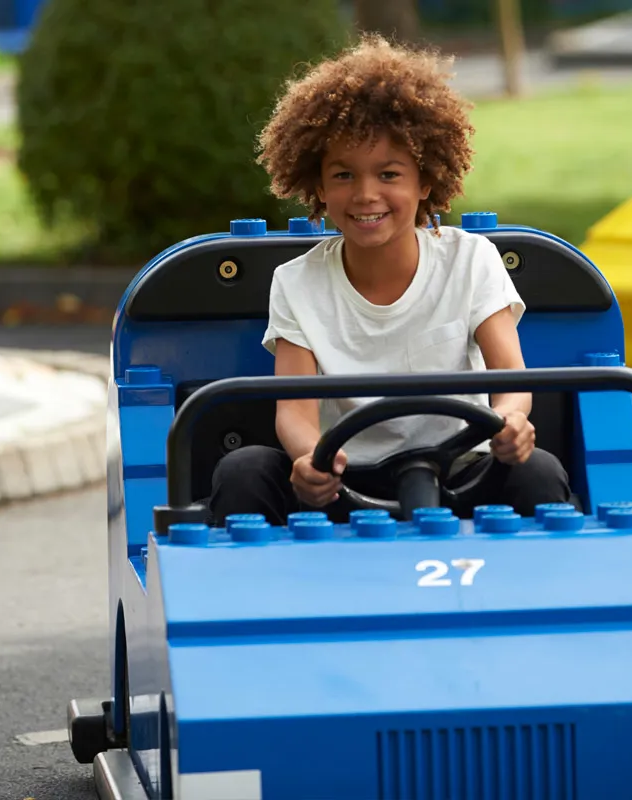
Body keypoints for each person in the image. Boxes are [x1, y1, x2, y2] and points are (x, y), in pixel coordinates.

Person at [207, 35, 574, 526]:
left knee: (539, 472)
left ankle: (536, 599)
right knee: (245, 470)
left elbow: (510, 376)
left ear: (425, 182)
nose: (365, 195)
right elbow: (294, 410)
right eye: (342, 176)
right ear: (316, 184)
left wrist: (510, 420)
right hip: (348, 485)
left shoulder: (471, 260)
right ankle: (259, 599)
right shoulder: (297, 282)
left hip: (461, 476)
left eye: (388, 174)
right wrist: (312, 460)